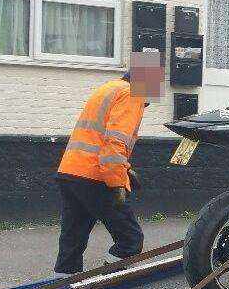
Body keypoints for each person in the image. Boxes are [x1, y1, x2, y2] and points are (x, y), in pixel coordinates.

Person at [53, 51, 164, 274]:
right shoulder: (132, 95)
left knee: (72, 238)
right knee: (130, 241)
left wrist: (126, 170)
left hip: (71, 172)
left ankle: (61, 287)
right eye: (157, 82)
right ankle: (105, 280)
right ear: (147, 80)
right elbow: (115, 144)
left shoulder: (109, 88)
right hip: (96, 176)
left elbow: (98, 138)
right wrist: (117, 184)